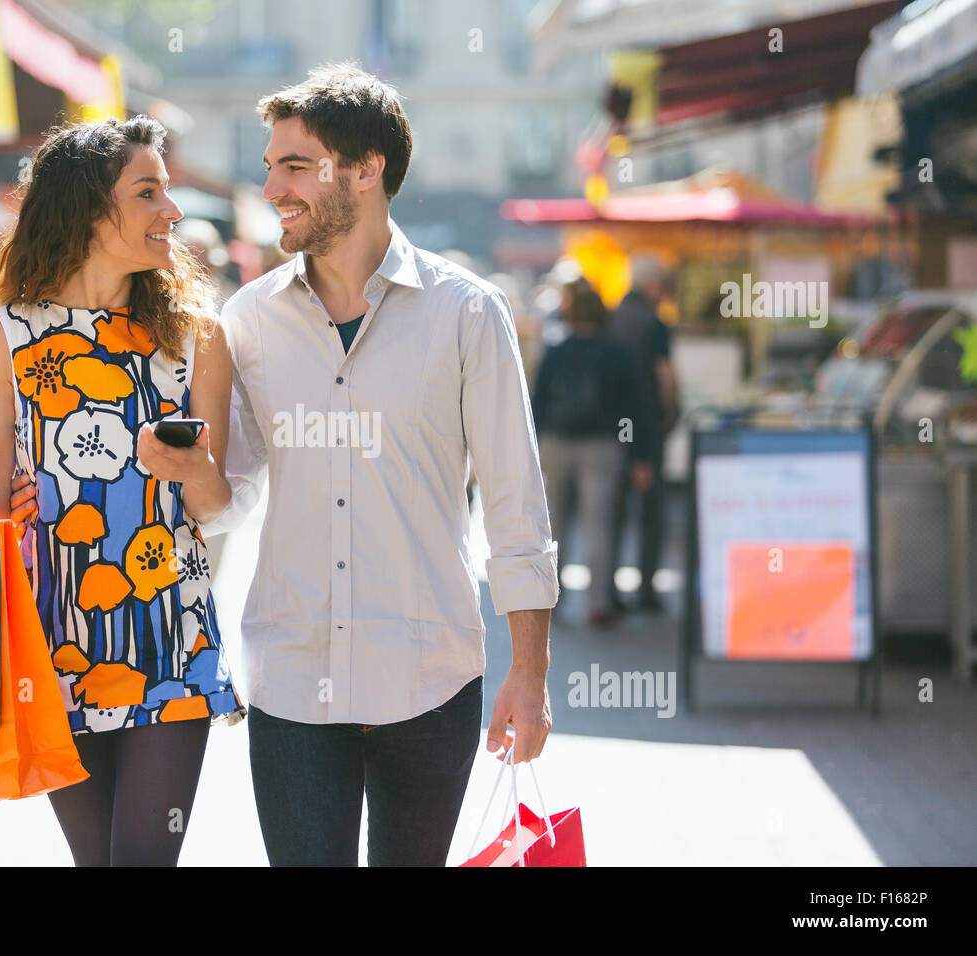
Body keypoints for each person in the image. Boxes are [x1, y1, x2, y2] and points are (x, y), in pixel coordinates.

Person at [0, 116, 244, 866]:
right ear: (90, 207)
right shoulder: (6, 334)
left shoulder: (197, 336)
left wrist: (190, 471)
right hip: (55, 641)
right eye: (148, 192)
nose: (173, 211)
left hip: (170, 636)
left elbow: (216, 506)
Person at [203, 62, 559, 866]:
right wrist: (175, 463)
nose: (272, 188)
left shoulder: (469, 313)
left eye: (295, 166)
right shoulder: (247, 320)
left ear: (366, 171)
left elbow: (515, 504)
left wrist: (529, 677)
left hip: (429, 680)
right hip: (293, 680)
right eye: (269, 167)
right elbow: (228, 497)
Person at [531, 279, 652, 627]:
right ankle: (599, 603)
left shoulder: (556, 350)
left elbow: (537, 402)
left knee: (554, 526)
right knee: (599, 525)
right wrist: (634, 453)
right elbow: (632, 411)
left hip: (557, 444)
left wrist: (537, 445)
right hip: (602, 446)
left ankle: (550, 600)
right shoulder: (617, 354)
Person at [607, 253, 680, 612]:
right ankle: (646, 591)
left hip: (613, 426)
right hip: (646, 423)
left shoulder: (610, 317)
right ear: (653, 286)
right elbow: (665, 377)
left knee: (613, 510)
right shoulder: (655, 323)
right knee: (650, 511)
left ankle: (608, 590)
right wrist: (672, 413)